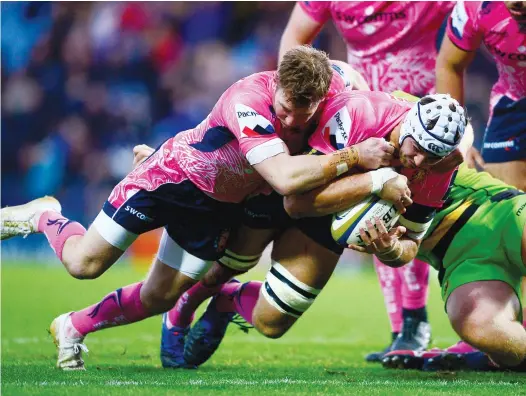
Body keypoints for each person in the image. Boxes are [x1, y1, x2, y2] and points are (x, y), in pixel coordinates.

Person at [0, 46, 396, 371]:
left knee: (160, 297)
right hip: (168, 181)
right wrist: (356, 155)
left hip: (216, 209)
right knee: (83, 265)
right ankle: (43, 214)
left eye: (303, 112)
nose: (291, 120)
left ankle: (72, 326)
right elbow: (285, 179)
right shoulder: (249, 100)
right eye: (285, 108)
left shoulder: (337, 86)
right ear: (276, 83)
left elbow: (362, 93)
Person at [165, 90, 467, 368]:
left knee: (271, 324)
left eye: (433, 156)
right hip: (283, 187)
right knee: (228, 266)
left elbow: (412, 242)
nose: (420, 162)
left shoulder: (439, 169)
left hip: (331, 215)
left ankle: (227, 301)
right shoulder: (361, 112)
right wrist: (376, 181)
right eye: (417, 149)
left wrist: (389, 250)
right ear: (410, 125)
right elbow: (295, 201)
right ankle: (179, 313)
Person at [279, 1, 457, 361]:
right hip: (356, 113)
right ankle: (403, 326)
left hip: (420, 119)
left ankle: (412, 321)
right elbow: (294, 43)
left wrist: (457, 122)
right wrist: (294, 106)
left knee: (405, 215)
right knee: (367, 211)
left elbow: (473, 19)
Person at [383, 0, 526, 371]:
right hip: (514, 109)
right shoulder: (476, 8)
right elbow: (449, 63)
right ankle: (502, 333)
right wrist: (456, 138)